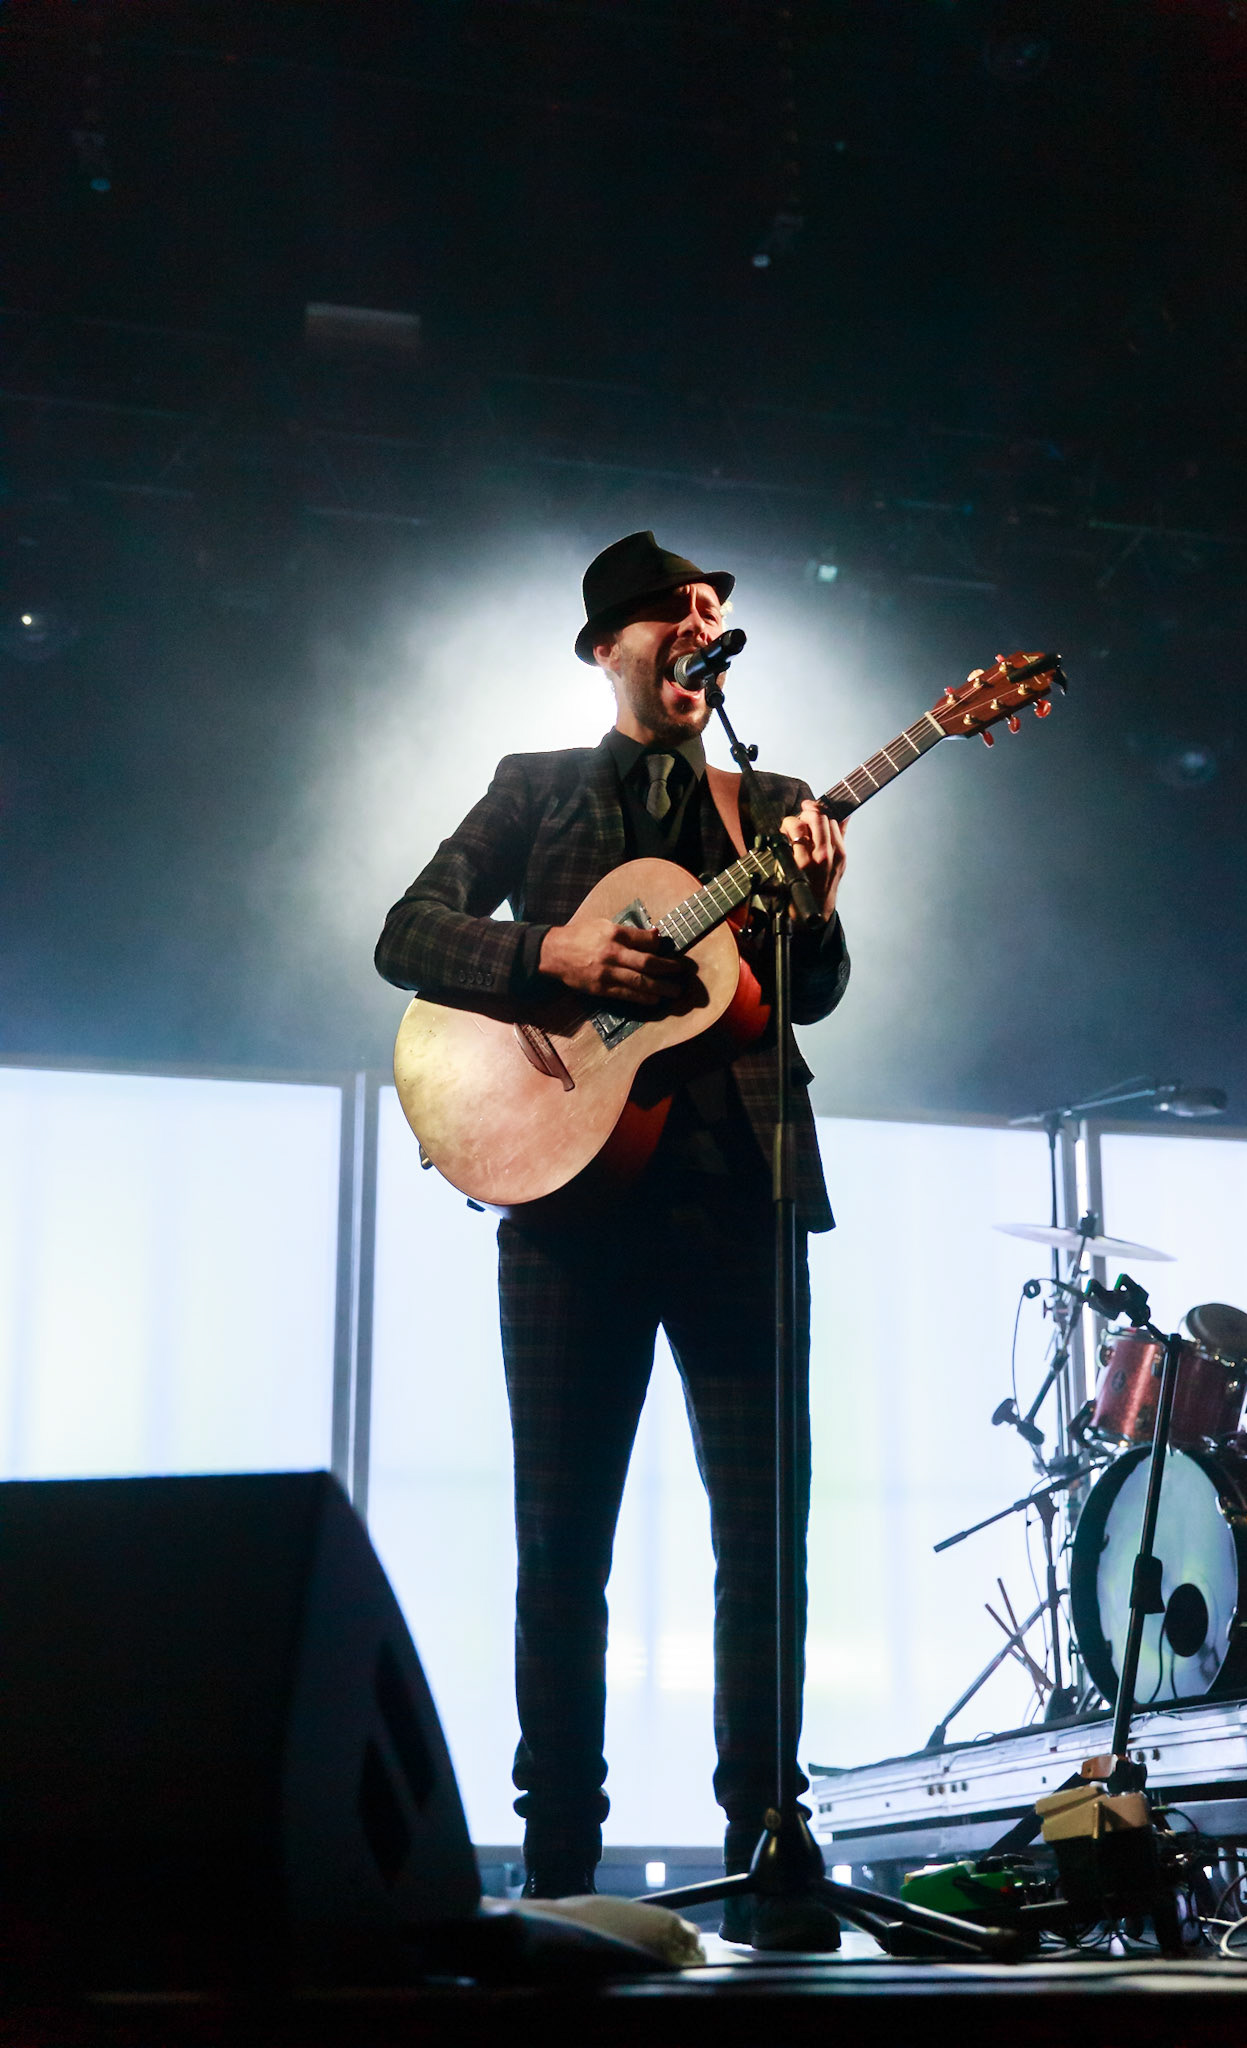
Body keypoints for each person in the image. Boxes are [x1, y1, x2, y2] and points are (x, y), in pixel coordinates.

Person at [374, 531, 850, 1948]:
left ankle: (768, 1839)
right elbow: (407, 935)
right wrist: (555, 955)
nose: (700, 627)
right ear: (606, 647)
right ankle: (560, 1864)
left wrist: (815, 910)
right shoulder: (534, 789)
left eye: (714, 610)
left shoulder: (769, 802)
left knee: (765, 1538)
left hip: (743, 1193)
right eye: (671, 611)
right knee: (561, 1541)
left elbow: (810, 992)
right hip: (570, 1213)